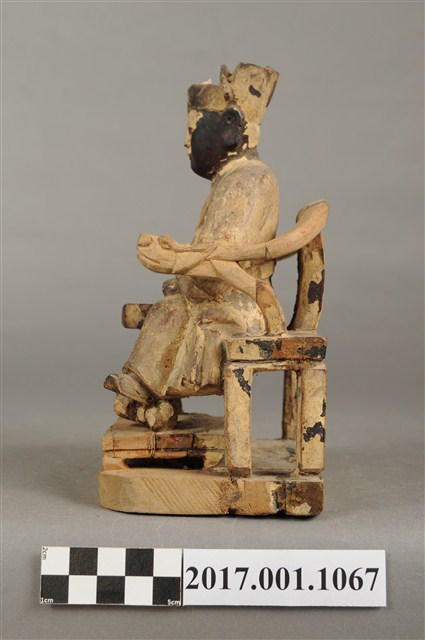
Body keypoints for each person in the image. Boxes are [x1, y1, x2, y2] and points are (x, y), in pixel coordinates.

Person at [104, 63, 283, 430]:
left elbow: (224, 261)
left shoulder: (250, 181)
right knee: (171, 306)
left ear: (229, 129)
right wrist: (174, 257)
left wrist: (172, 262)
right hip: (218, 296)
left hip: (240, 306)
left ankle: (140, 392)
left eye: (192, 130)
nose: (186, 142)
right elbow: (210, 253)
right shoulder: (230, 179)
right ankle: (147, 401)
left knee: (171, 311)